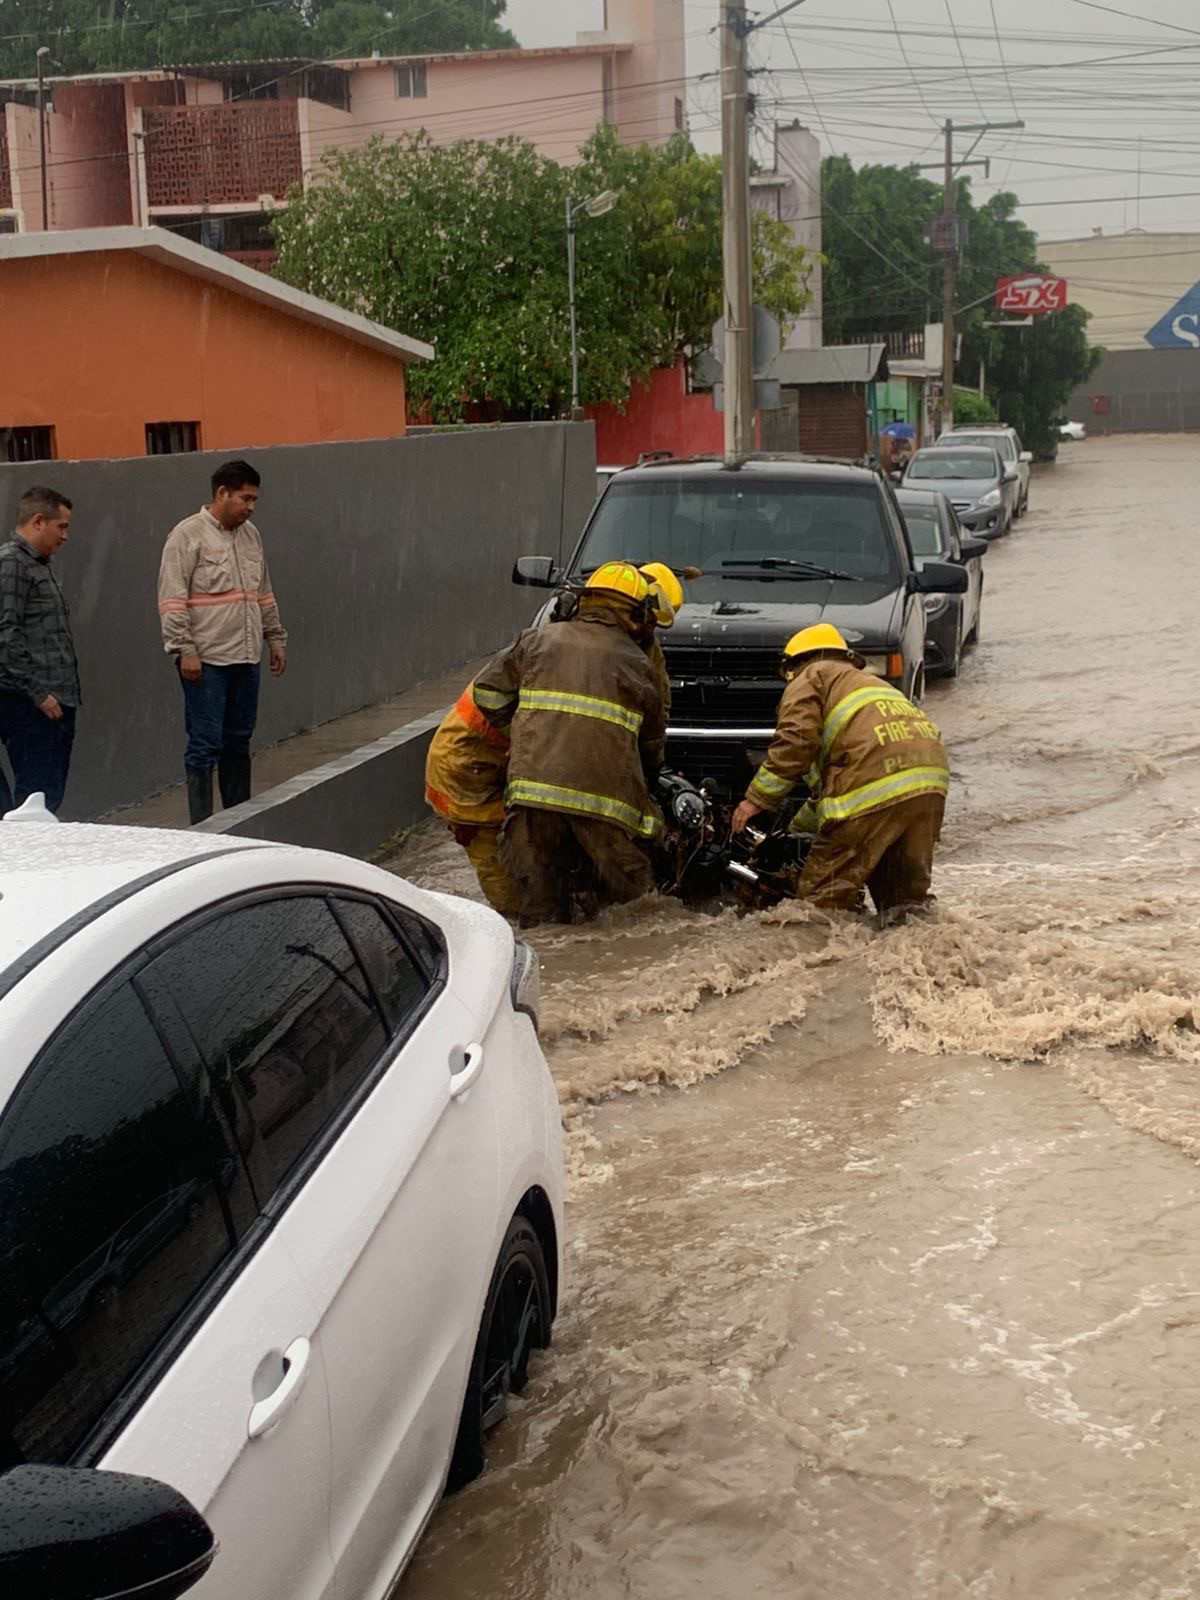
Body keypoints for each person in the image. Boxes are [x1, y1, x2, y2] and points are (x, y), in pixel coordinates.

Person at [474, 562, 667, 926]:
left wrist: (526, 733)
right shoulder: (640, 665)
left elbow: (487, 692)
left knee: (543, 916)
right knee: (638, 912)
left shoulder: (535, 641)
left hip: (532, 800)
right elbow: (653, 745)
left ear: (584, 601)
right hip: (605, 808)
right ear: (638, 613)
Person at [731, 624, 949, 918]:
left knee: (822, 904)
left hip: (872, 783)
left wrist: (755, 800)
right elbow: (826, 795)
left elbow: (796, 741)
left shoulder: (811, 675)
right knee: (904, 904)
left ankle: (822, 960)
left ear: (796, 663)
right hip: (929, 782)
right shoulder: (874, 685)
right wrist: (793, 832)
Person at [158, 460, 288, 824]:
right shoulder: (187, 536)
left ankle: (238, 820)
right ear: (221, 493)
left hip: (246, 657)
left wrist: (275, 637)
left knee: (239, 740)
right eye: (245, 498)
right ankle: (202, 827)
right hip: (206, 661)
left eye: (255, 500)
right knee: (204, 745)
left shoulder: (252, 536)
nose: (251, 507)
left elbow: (263, 592)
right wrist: (184, 648)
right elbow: (172, 599)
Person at [0, 487, 79, 815]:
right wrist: (38, 694)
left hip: (54, 702)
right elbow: (5, 635)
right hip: (31, 707)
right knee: (35, 802)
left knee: (47, 799)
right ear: (37, 521)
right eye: (61, 526)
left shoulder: (38, 564)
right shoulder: (11, 564)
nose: (65, 536)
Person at [424, 680, 519, 917]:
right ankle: (516, 921)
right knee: (489, 856)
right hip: (465, 775)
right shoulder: (522, 673)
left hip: (469, 765)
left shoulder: (516, 665)